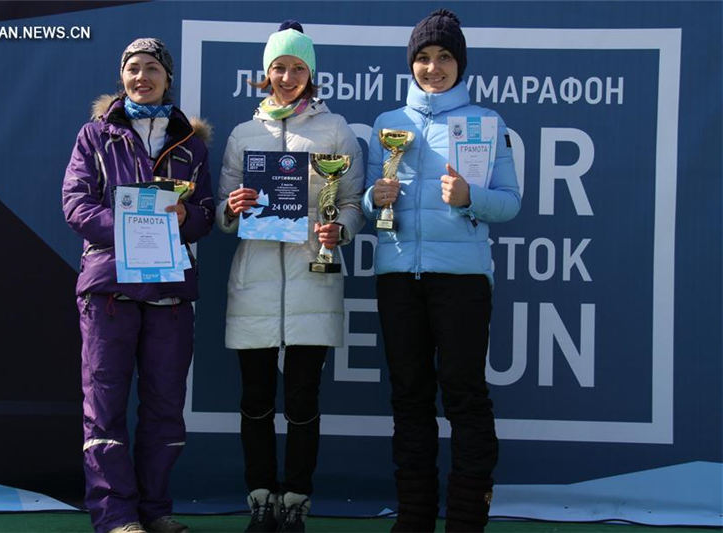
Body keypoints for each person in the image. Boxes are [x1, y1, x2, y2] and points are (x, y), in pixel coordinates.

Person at [361, 10, 521, 533]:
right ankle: (414, 516)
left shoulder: (487, 123)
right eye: (424, 58)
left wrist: (472, 198)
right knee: (409, 396)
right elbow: (367, 205)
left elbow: (511, 203)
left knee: (464, 393)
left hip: (463, 279)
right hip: (398, 275)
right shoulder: (389, 124)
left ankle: (468, 519)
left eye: (445, 57)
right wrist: (372, 197)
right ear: (412, 64)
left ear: (460, 64)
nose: (434, 67)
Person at [216, 20, 365, 533]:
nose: (286, 76)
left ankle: (296, 500)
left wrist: (338, 230)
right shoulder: (243, 135)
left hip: (312, 276)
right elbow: (222, 210)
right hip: (255, 278)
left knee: (303, 400)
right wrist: (231, 207)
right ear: (265, 73)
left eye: (297, 67)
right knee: (255, 400)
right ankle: (260, 497)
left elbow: (350, 203)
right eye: (278, 67)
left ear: (311, 74)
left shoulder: (336, 130)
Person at [62, 38, 214, 533]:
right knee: (104, 406)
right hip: (109, 290)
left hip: (170, 292)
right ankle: (115, 516)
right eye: (132, 68)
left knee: (165, 405)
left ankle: (155, 510)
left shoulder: (191, 143)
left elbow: (206, 216)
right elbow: (77, 205)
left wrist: (187, 214)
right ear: (121, 76)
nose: (141, 76)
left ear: (168, 78)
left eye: (152, 68)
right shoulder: (95, 135)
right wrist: (129, 230)